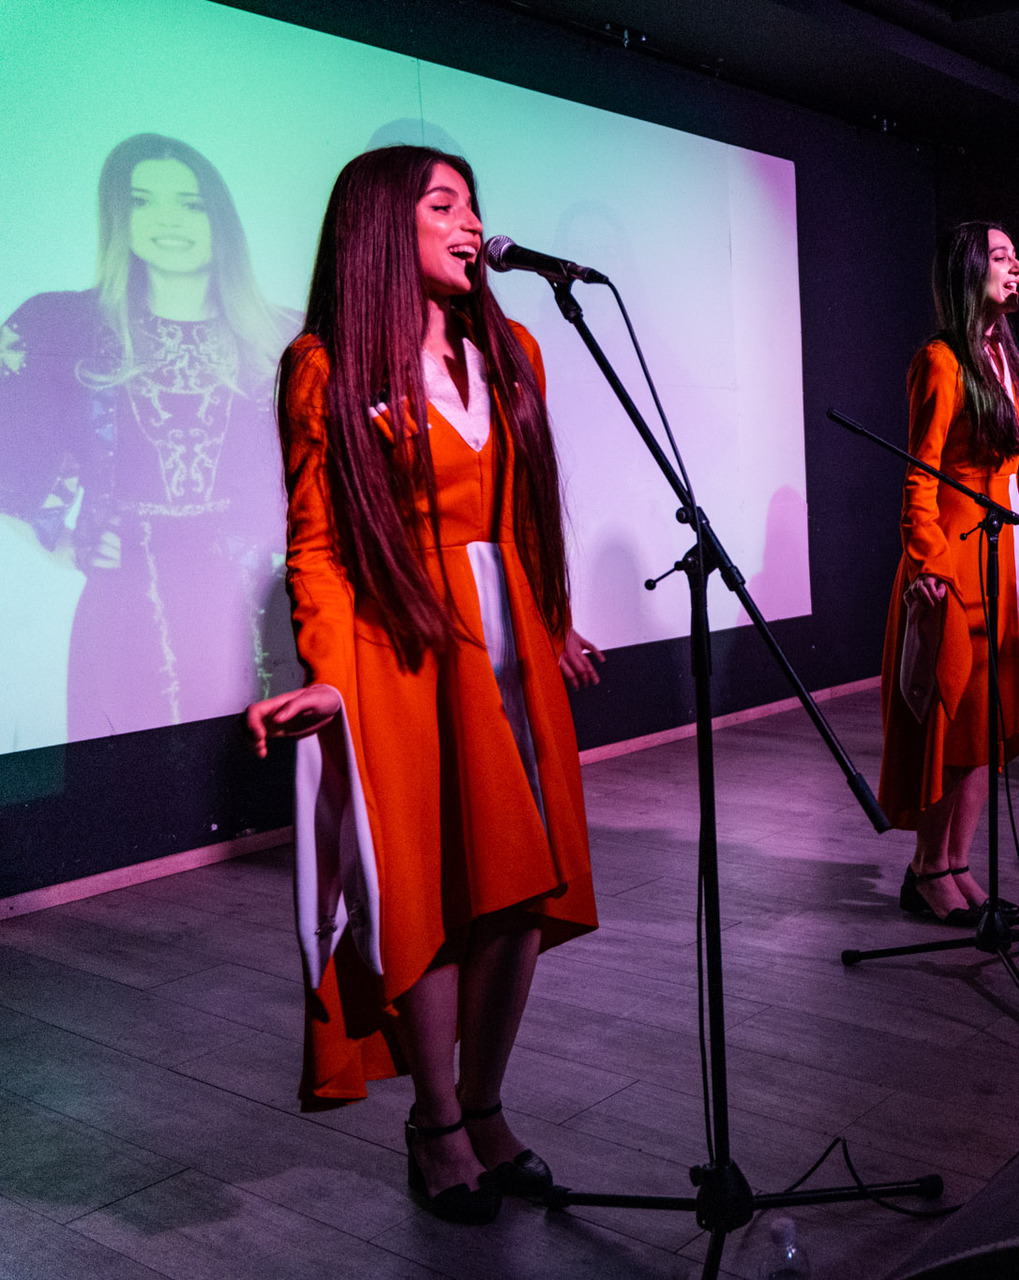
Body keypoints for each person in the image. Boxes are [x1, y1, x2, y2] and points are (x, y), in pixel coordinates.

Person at [243, 146, 603, 1225]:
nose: (470, 221)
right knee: (433, 893)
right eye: (442, 204)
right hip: (398, 645)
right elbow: (316, 542)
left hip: (510, 643)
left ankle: (486, 1103)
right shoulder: (326, 365)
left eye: (473, 203)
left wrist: (553, 617)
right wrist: (324, 674)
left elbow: (527, 512)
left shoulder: (514, 348)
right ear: (378, 228)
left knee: (522, 888)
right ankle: (437, 1120)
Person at [0, 133, 298, 740]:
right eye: (142, 201)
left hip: (255, 613)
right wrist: (62, 543)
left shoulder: (282, 337)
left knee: (257, 778)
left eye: (190, 204)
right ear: (119, 214)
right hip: (124, 618)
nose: (167, 220)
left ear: (220, 218)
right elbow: (14, 456)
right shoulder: (64, 325)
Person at [876, 221, 1019, 925]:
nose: (1017, 266)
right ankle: (927, 870)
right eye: (1001, 256)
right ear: (968, 270)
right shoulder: (941, 360)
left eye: (1018, 255)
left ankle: (957, 864)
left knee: (988, 726)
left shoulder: (1003, 358)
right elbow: (919, 477)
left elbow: (1002, 481)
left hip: (1001, 558)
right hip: (952, 563)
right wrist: (927, 562)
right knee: (952, 726)